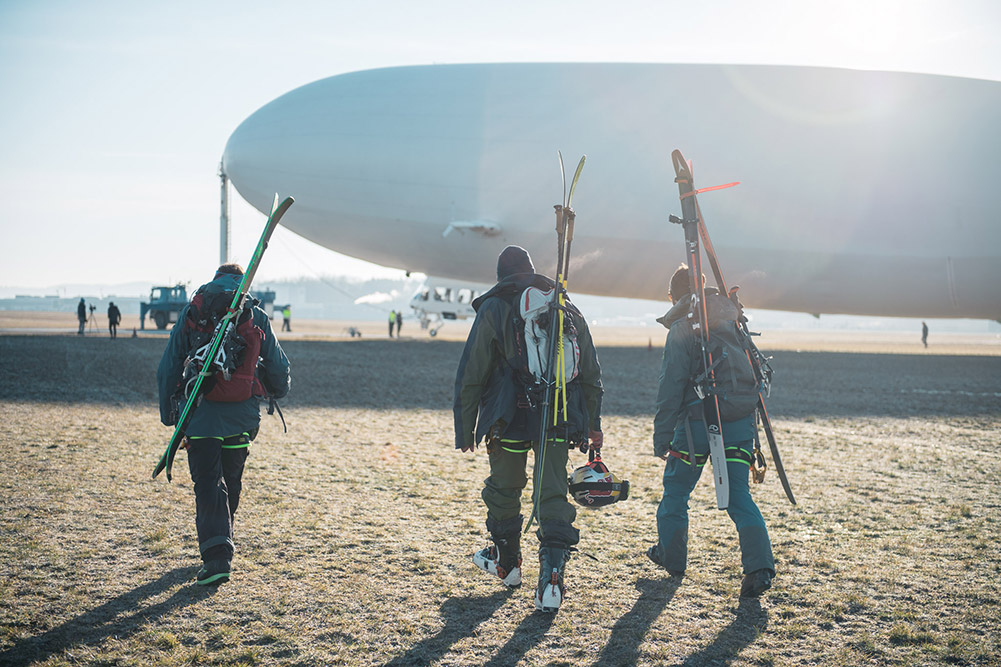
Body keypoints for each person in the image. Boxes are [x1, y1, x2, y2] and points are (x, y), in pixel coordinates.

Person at [453, 245, 603, 612]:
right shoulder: (564, 305)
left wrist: (465, 428)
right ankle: (551, 581)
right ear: (532, 271)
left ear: (501, 275)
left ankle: (507, 564)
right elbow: (590, 372)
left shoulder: (494, 306)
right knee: (552, 494)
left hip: (508, 418)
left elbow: (472, 370)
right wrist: (593, 424)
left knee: (504, 487)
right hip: (557, 414)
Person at [157, 263, 291, 586]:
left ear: (215, 279)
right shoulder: (254, 313)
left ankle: (217, 556)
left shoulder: (195, 309)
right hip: (242, 417)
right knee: (231, 480)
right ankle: (221, 542)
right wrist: (278, 390)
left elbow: (169, 364)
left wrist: (169, 414)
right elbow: (278, 364)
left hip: (200, 414)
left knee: (208, 483)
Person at [648, 264, 774, 598]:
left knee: (676, 491)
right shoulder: (732, 319)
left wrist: (662, 436)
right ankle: (759, 569)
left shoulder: (683, 326)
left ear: (673, 295)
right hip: (740, 419)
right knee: (737, 495)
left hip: (695, 425)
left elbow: (671, 385)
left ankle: (672, 557)